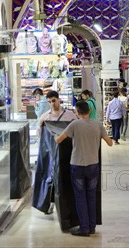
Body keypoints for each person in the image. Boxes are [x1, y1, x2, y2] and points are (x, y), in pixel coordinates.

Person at [55, 101, 113, 237]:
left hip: (77, 165)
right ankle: (92, 227)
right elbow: (110, 143)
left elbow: (59, 140)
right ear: (89, 111)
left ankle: (84, 228)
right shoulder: (98, 125)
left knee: (80, 197)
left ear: (77, 112)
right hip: (93, 165)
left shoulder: (74, 125)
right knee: (91, 196)